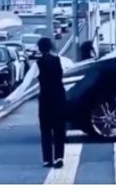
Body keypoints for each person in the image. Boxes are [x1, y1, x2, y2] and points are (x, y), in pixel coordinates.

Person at [36, 37, 66, 168]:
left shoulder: (38, 63)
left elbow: (27, 83)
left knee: (45, 129)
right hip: (59, 97)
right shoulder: (60, 60)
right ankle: (59, 157)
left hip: (45, 99)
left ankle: (47, 160)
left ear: (39, 48)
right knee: (59, 128)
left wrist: (13, 98)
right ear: (50, 47)